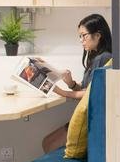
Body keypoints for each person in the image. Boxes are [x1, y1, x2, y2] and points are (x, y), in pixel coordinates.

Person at [42, 14, 113, 153]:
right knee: (47, 143)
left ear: (97, 35)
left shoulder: (104, 58)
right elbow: (88, 87)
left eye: (84, 36)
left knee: (48, 144)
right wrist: (71, 83)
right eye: (80, 36)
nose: (81, 40)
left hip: (94, 119)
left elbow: (90, 93)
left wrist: (61, 92)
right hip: (89, 116)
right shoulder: (96, 56)